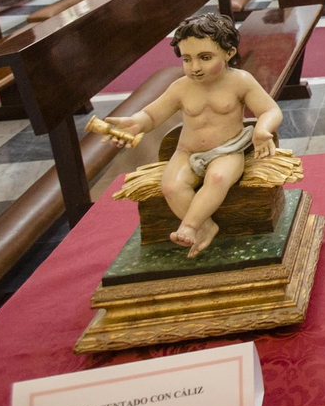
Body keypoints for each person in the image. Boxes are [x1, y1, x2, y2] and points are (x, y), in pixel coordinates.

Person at [100, 14, 283, 258]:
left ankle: (189, 225)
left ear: (229, 53)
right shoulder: (181, 87)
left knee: (218, 178)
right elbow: (153, 115)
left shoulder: (240, 82)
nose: (195, 67)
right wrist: (135, 123)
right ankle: (206, 225)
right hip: (186, 152)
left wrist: (262, 129)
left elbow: (270, 109)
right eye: (187, 59)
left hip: (227, 151)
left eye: (205, 58)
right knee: (171, 185)